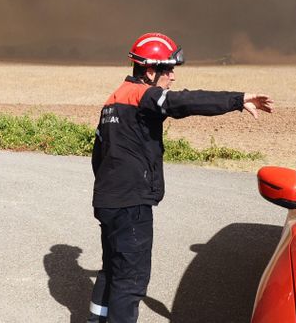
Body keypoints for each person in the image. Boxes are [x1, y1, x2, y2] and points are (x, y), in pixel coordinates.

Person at [87, 32, 273, 323]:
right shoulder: (144, 96)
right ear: (150, 70)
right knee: (130, 280)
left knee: (112, 268)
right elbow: (184, 102)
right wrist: (237, 100)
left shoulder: (113, 99)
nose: (172, 76)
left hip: (108, 201)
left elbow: (98, 155)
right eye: (168, 69)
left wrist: (110, 190)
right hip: (130, 205)